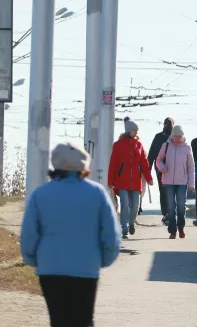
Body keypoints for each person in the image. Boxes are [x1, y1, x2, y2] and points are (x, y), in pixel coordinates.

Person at [20, 142, 121, 327]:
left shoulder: (41, 194)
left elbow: (28, 235)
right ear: (84, 165)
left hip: (50, 269)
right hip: (86, 269)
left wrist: (34, 260)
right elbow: (111, 234)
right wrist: (104, 260)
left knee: (58, 321)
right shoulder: (97, 193)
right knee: (84, 321)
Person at [108, 117, 154, 239]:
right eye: (135, 130)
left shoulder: (139, 145)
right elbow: (113, 164)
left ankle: (131, 222)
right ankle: (125, 228)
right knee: (125, 204)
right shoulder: (118, 145)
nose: (137, 132)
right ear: (129, 131)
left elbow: (144, 163)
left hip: (136, 182)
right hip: (122, 180)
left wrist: (149, 178)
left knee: (135, 206)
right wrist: (110, 182)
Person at [156, 124, 195, 239]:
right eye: (175, 136)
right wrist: (162, 167)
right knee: (171, 206)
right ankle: (172, 231)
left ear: (183, 136)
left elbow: (191, 167)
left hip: (182, 182)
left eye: (179, 136)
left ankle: (181, 228)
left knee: (181, 206)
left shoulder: (187, 148)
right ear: (172, 136)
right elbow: (158, 160)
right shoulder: (166, 145)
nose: (177, 138)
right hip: (167, 181)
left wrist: (191, 183)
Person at [148, 117, 175, 225]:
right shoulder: (175, 137)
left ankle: (166, 214)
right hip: (171, 168)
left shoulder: (158, 137)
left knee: (163, 191)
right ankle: (169, 214)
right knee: (171, 191)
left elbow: (151, 155)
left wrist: (148, 170)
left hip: (160, 168)